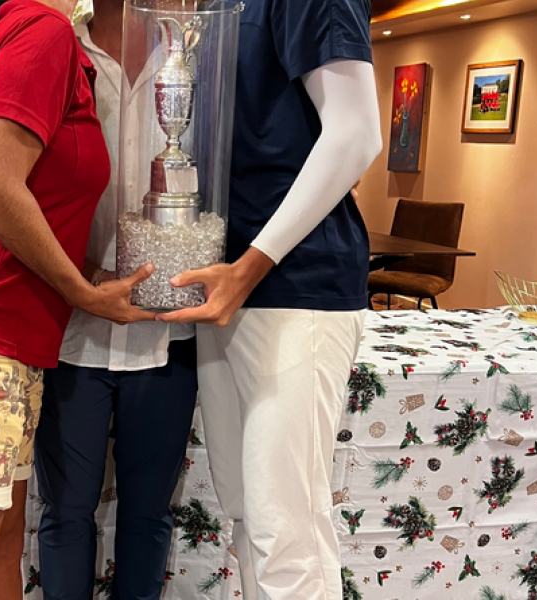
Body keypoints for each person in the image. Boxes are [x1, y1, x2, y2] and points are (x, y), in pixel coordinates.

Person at [0, 1, 196, 597]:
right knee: (63, 514)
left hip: (167, 327)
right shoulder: (51, 42)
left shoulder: (196, 54)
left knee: (149, 515)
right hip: (64, 329)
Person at [156, 0, 383, 598]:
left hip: (292, 286)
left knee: (287, 530)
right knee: (248, 516)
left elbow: (357, 133)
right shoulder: (215, 10)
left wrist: (252, 264)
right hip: (229, 284)